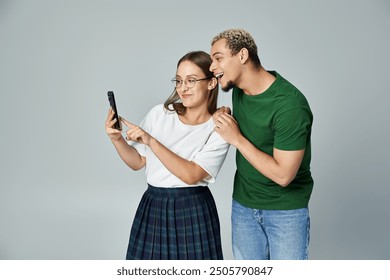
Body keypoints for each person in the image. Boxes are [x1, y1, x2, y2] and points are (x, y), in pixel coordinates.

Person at [105, 51, 229, 260]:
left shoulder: (219, 126)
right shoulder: (160, 114)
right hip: (153, 203)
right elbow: (138, 162)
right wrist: (116, 139)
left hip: (193, 208)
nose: (183, 88)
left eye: (191, 80)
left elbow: (192, 175)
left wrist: (152, 141)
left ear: (211, 83)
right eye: (179, 81)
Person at [209, 29, 313, 260]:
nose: (212, 67)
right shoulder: (238, 89)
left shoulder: (289, 106)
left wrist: (236, 138)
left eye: (218, 58)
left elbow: (284, 175)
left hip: (285, 212)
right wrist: (222, 114)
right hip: (243, 207)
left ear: (243, 55)